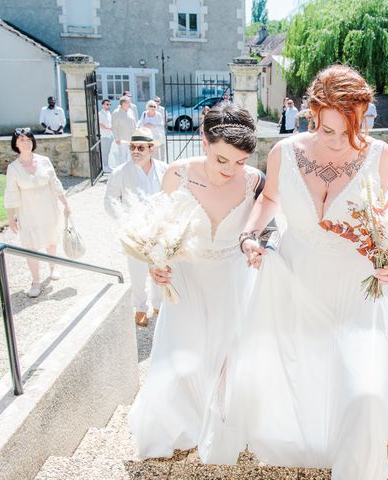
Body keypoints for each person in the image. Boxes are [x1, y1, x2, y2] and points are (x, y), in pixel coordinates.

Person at [219, 65, 388, 479]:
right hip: (294, 278)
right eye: (326, 130)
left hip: (355, 290)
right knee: (303, 372)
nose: (337, 142)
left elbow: (387, 225)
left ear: (364, 117)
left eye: (348, 132)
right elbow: (269, 199)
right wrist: (250, 235)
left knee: (364, 390)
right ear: (311, 115)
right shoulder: (285, 152)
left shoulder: (381, 157)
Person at [128, 105, 263, 459]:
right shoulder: (177, 175)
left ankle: (224, 421)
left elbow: (266, 226)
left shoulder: (254, 180)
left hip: (234, 278)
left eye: (239, 162)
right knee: (184, 351)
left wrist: (256, 246)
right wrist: (158, 265)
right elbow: (160, 231)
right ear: (204, 141)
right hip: (187, 279)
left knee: (230, 353)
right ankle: (180, 422)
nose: (231, 170)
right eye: (222, 160)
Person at [104, 128, 167, 326]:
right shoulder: (120, 172)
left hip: (159, 230)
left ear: (151, 149)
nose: (135, 151)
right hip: (134, 232)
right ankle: (140, 308)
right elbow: (110, 201)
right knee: (137, 271)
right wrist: (125, 222)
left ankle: (159, 305)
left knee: (159, 267)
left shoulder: (165, 169)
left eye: (141, 147)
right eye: (132, 147)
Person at [4, 128, 71, 298]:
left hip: (48, 207)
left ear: (33, 141)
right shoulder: (13, 168)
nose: (26, 142)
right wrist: (11, 218)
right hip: (28, 211)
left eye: (28, 139)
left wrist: (65, 203)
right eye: (21, 140)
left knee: (51, 240)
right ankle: (35, 281)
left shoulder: (44, 161)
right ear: (16, 144)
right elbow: (11, 192)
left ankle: (53, 266)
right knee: (31, 246)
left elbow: (55, 183)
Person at [111, 95, 137, 166]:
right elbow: (114, 127)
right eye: (128, 102)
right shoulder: (116, 113)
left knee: (131, 157)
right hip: (122, 140)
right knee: (122, 157)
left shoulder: (131, 111)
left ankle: (130, 171)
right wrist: (117, 138)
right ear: (123, 104)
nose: (130, 104)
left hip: (131, 139)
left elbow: (134, 123)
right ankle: (122, 172)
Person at [98, 99, 114, 173]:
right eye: (107, 104)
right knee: (104, 151)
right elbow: (100, 124)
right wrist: (108, 128)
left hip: (110, 135)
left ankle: (107, 165)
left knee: (108, 151)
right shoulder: (100, 114)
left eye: (110, 104)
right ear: (103, 105)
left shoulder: (109, 113)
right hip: (104, 135)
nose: (109, 106)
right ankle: (104, 166)